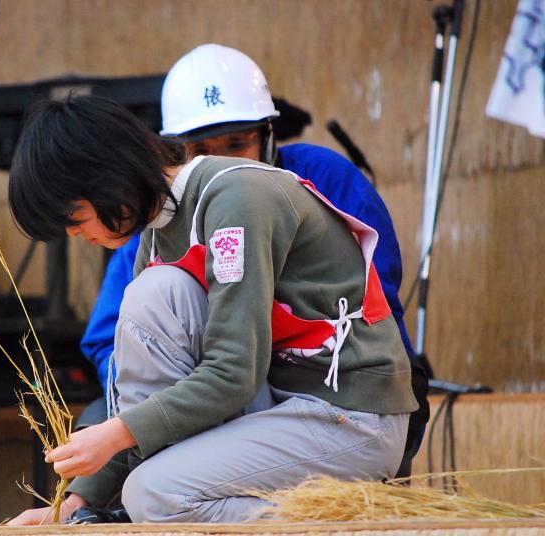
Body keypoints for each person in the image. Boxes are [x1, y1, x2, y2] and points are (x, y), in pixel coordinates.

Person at [7, 94, 418, 524]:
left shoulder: (235, 198)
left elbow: (234, 373)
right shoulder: (158, 230)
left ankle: (352, 521)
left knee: (154, 494)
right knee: (153, 294)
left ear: (108, 179)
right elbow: (147, 390)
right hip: (278, 407)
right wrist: (75, 503)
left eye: (75, 218)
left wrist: (116, 435)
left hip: (349, 418)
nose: (76, 234)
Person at [79, 43, 429, 472]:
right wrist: (145, 417)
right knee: (100, 426)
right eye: (200, 148)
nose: (218, 159)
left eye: (237, 143)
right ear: (172, 152)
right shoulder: (158, 214)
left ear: (268, 136)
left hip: (331, 385)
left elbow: (377, 298)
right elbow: (112, 338)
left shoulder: (323, 175)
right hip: (212, 388)